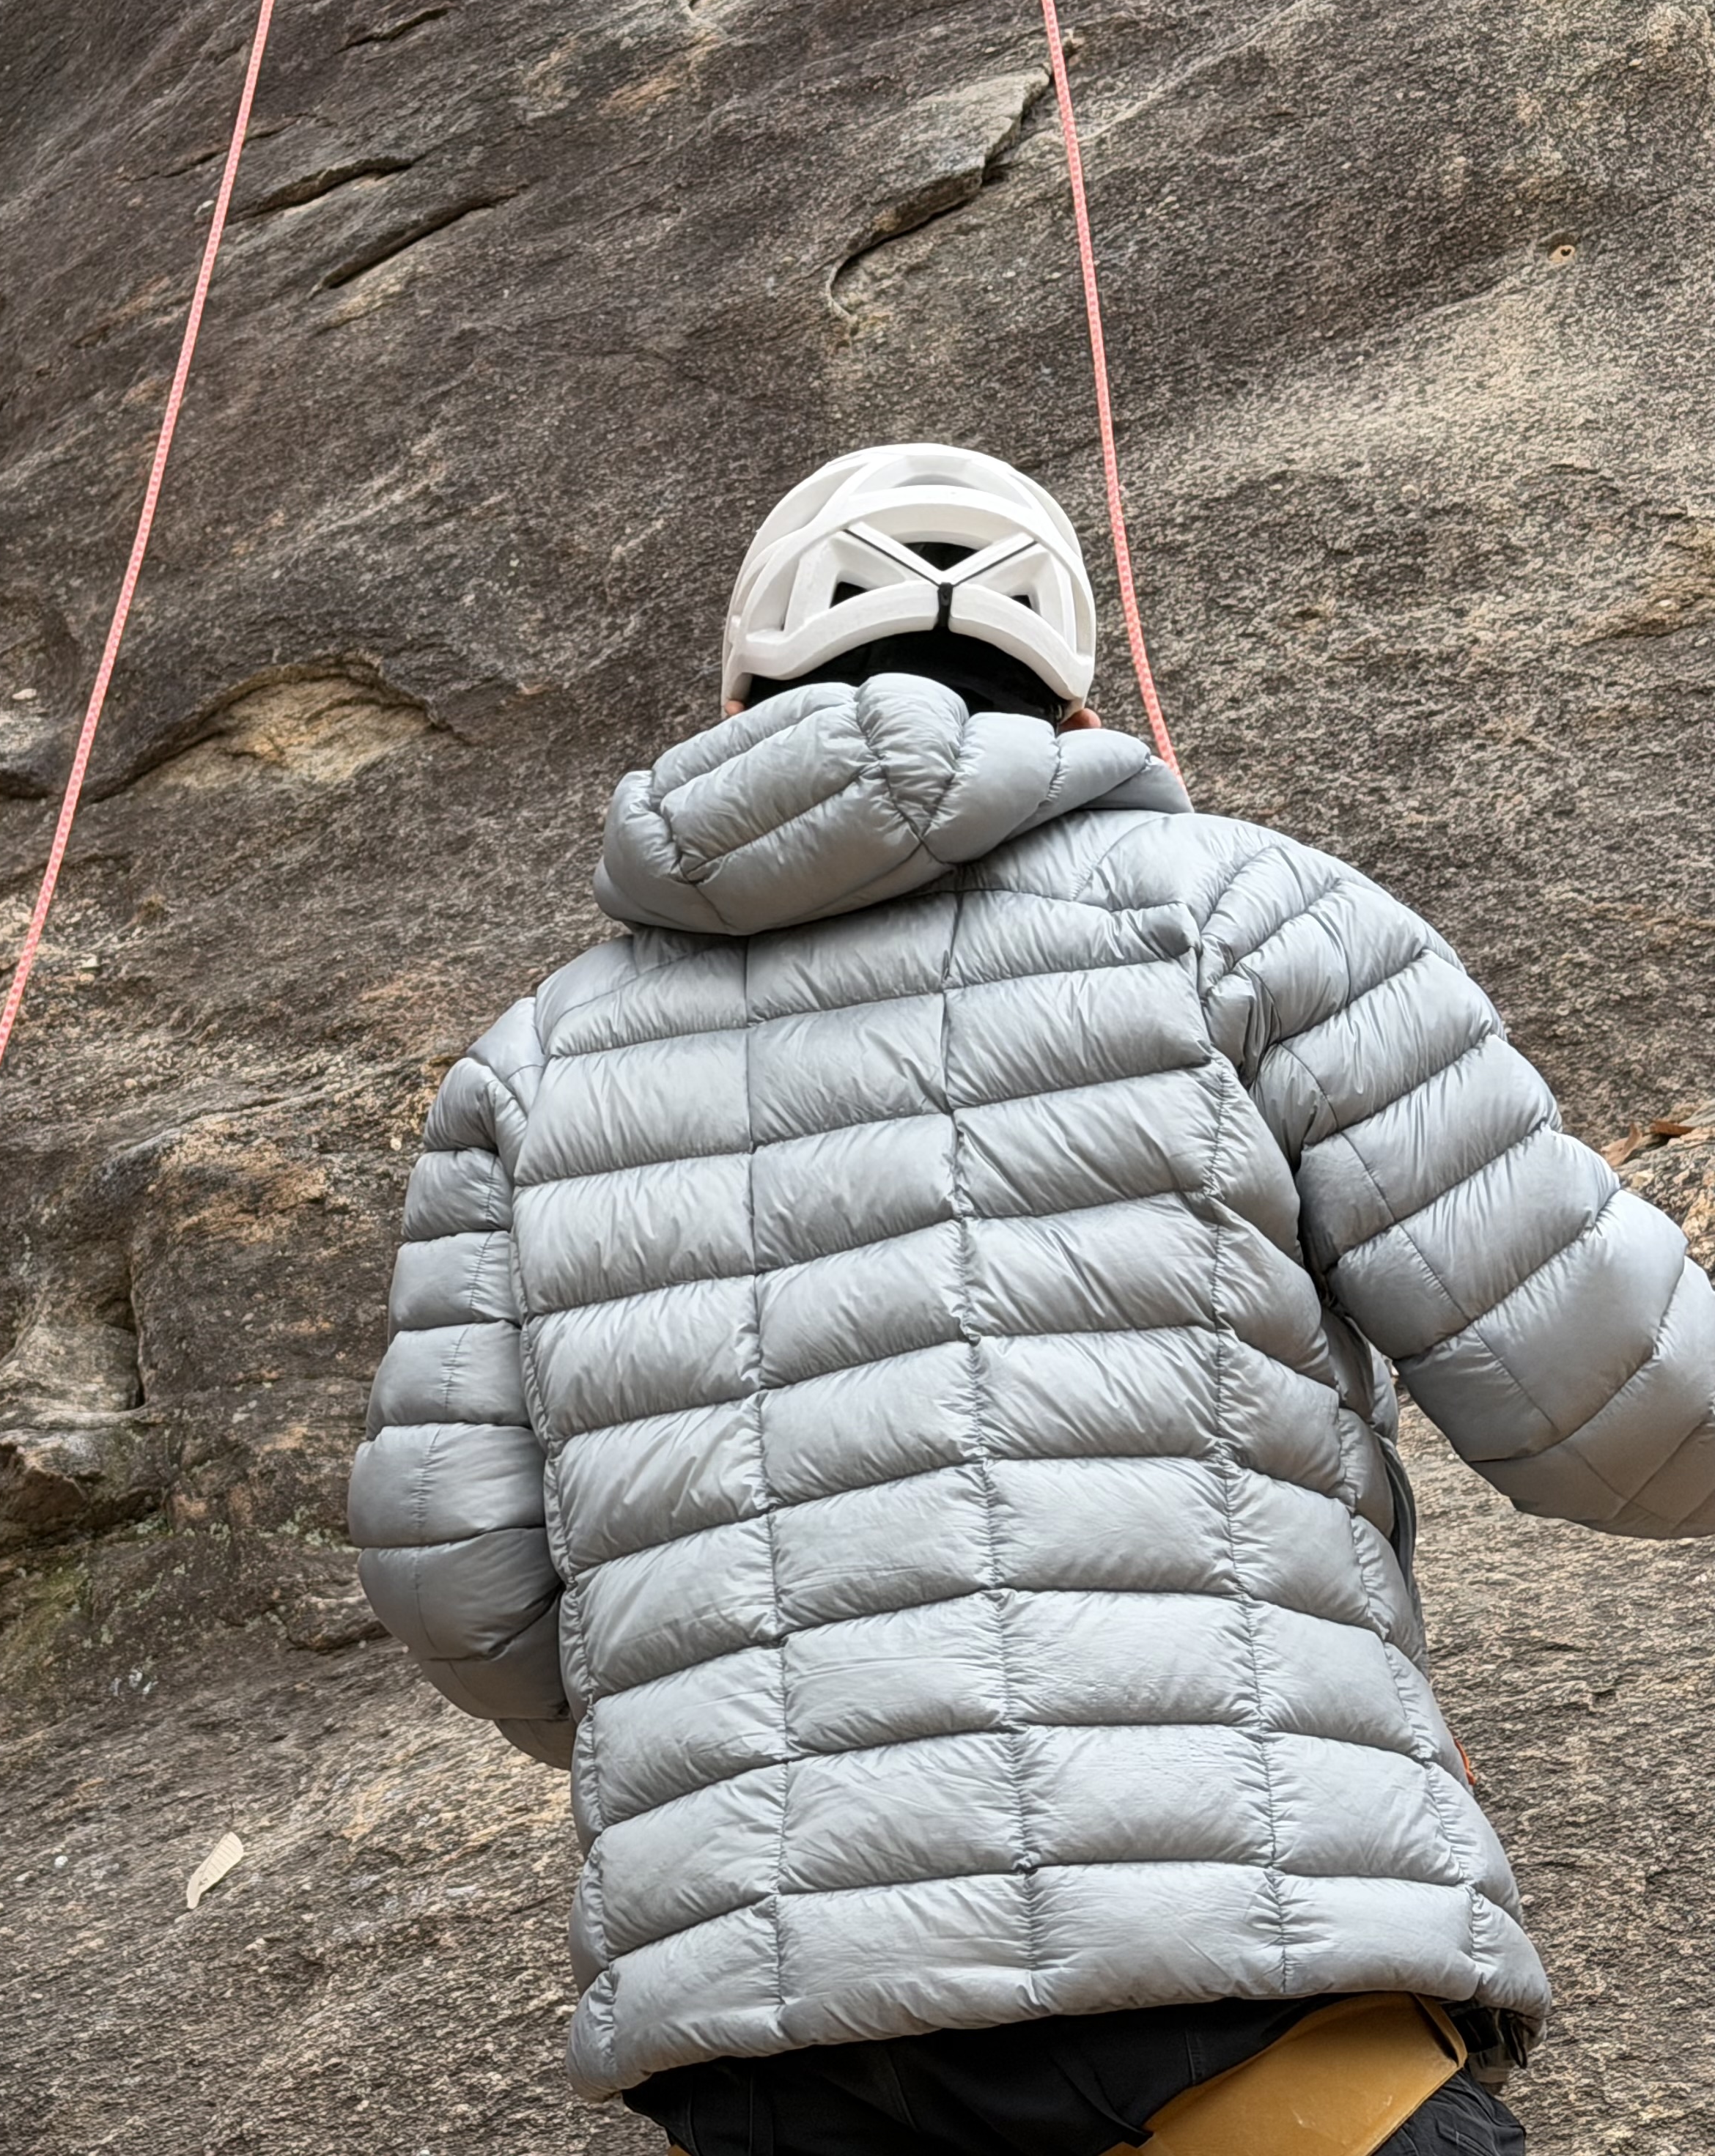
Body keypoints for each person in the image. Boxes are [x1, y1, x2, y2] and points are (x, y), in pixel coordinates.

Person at [349, 445, 1715, 2155]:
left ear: (735, 701)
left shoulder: (532, 1069)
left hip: (780, 2054)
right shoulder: (1240, 912)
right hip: (1242, 1975)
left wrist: (750, 1710)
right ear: (1076, 709)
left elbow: (454, 1576)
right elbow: (1631, 1412)